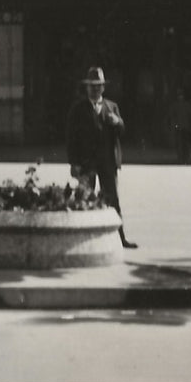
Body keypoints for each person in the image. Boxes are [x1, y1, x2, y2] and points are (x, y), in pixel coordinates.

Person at [66, 66, 137, 248]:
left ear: (103, 88)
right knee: (84, 199)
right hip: (86, 162)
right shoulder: (78, 109)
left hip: (107, 162)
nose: (95, 89)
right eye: (92, 86)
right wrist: (74, 163)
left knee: (113, 200)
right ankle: (80, 240)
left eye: (98, 86)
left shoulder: (112, 107)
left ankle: (120, 238)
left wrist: (118, 122)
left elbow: (122, 132)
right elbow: (71, 138)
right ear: (87, 87)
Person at [166, 88, 191, 164]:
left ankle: (184, 157)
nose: (180, 97)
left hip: (184, 127)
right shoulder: (177, 105)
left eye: (181, 95)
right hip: (180, 126)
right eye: (179, 96)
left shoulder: (185, 105)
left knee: (184, 142)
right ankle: (182, 157)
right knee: (180, 143)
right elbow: (171, 115)